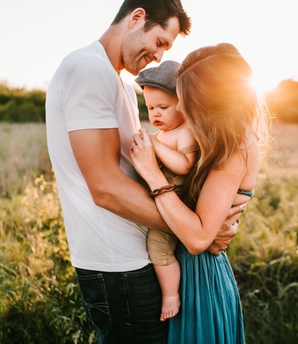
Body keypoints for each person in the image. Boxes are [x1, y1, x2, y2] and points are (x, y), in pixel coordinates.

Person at [46, 0, 243, 342]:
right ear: (137, 18)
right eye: (160, 43)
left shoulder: (120, 83)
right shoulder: (87, 69)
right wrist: (198, 231)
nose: (159, 57)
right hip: (118, 265)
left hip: (139, 257)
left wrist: (204, 221)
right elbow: (105, 187)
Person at [130, 42, 268, 344]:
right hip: (185, 268)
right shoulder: (212, 137)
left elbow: (197, 239)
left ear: (212, 102)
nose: (181, 108)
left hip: (200, 277)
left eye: (187, 100)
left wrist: (153, 175)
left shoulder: (235, 146)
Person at [134, 60, 198, 322]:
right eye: (150, 108)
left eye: (163, 107)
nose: (155, 114)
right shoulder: (162, 134)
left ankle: (171, 294)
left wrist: (155, 146)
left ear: (182, 105)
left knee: (157, 248)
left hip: (176, 206)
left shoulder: (185, 132)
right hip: (158, 201)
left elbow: (184, 165)